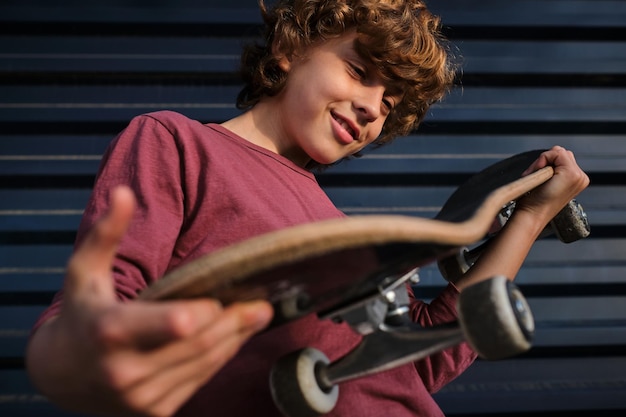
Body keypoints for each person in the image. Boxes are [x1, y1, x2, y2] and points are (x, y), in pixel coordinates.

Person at [26, 0, 590, 416]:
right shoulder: (177, 144)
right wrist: (71, 356)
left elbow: (420, 360)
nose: (373, 108)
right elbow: (94, 316)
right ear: (290, 49)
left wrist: (532, 216)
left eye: (389, 104)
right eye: (359, 71)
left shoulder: (342, 235)